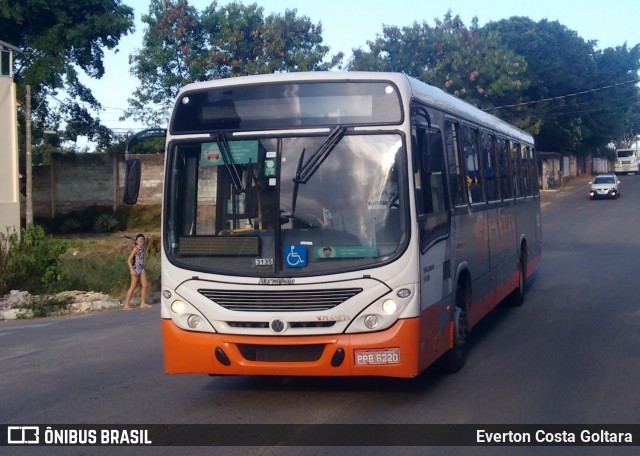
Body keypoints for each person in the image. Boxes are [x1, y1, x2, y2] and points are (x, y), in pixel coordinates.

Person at [123, 234, 151, 310]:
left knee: (145, 285)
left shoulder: (142, 248)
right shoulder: (136, 249)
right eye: (140, 241)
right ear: (136, 241)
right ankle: (126, 304)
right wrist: (132, 270)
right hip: (136, 269)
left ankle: (142, 303)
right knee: (133, 286)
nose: (141, 242)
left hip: (142, 268)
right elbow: (129, 260)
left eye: (142, 240)